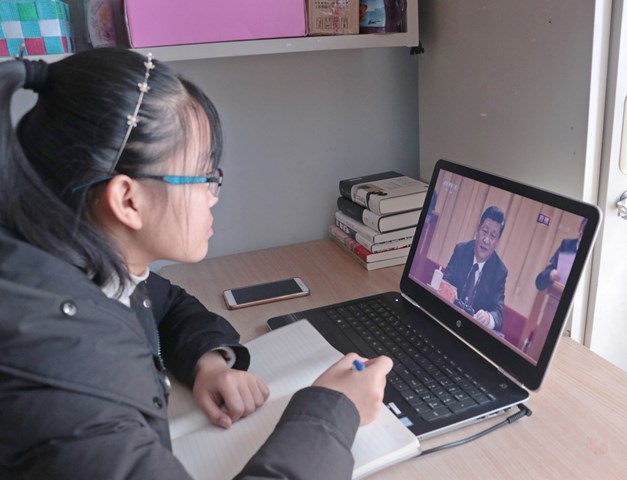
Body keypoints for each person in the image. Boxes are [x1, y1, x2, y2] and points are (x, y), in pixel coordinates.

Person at [0, 48, 392, 479]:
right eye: (204, 177)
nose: (213, 195)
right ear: (128, 200)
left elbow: (164, 302)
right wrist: (335, 411)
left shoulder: (68, 263)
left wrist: (208, 363)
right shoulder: (67, 393)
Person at [442, 206, 508, 331]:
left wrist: (488, 317)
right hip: (448, 320)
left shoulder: (499, 272)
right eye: (484, 231)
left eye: (493, 236)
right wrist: (447, 291)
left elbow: (498, 315)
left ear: (497, 241)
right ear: (478, 229)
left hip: (472, 331)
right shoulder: (461, 251)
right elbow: (445, 281)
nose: (486, 240)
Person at [535, 218, 586, 291]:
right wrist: (551, 274)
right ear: (579, 229)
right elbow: (540, 282)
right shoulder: (567, 245)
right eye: (582, 231)